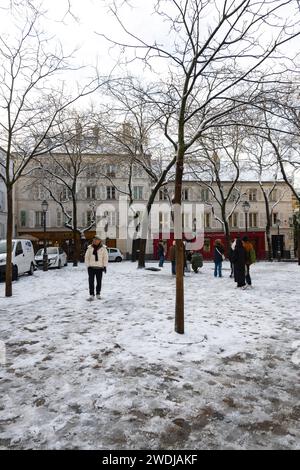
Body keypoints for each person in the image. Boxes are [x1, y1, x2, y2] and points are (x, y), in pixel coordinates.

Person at [84, 236, 108, 301]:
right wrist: (88, 266)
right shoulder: (90, 248)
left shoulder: (103, 248)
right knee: (91, 282)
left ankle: (98, 294)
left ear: (100, 241)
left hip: (99, 268)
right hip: (91, 267)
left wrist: (105, 266)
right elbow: (86, 257)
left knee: (99, 282)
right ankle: (91, 295)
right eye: (94, 240)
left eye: (96, 240)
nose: (95, 241)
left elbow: (105, 258)